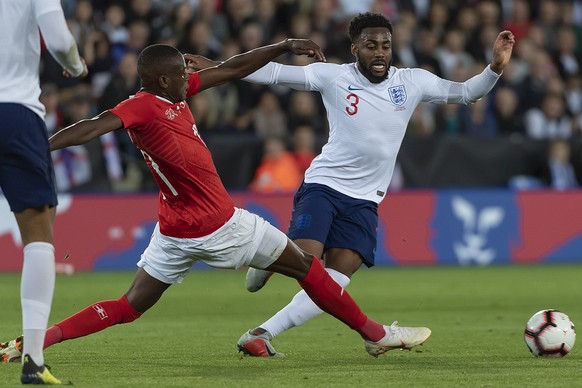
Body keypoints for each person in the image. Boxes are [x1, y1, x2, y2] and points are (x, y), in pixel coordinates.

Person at [0, 41, 431, 372]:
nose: (189, 76)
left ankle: (32, 342)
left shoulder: (170, 94)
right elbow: (93, 127)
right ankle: (376, 335)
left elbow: (233, 69)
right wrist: (38, 147)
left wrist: (281, 46)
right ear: (164, 80)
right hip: (219, 225)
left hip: (173, 232)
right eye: (180, 73)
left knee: (128, 306)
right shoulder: (142, 106)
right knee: (308, 268)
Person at [188, 12, 514, 357]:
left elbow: (466, 93)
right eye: (370, 45)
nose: (379, 52)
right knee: (308, 266)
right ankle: (269, 260)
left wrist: (494, 67)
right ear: (354, 47)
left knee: (335, 283)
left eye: (386, 45)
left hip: (365, 201)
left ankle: (261, 333)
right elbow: (270, 73)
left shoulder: (412, 81)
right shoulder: (334, 76)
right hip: (324, 186)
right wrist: (215, 65)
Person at [0, 0, 88, 384]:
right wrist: (76, 63)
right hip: (15, 112)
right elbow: (58, 39)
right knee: (38, 233)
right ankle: (33, 361)